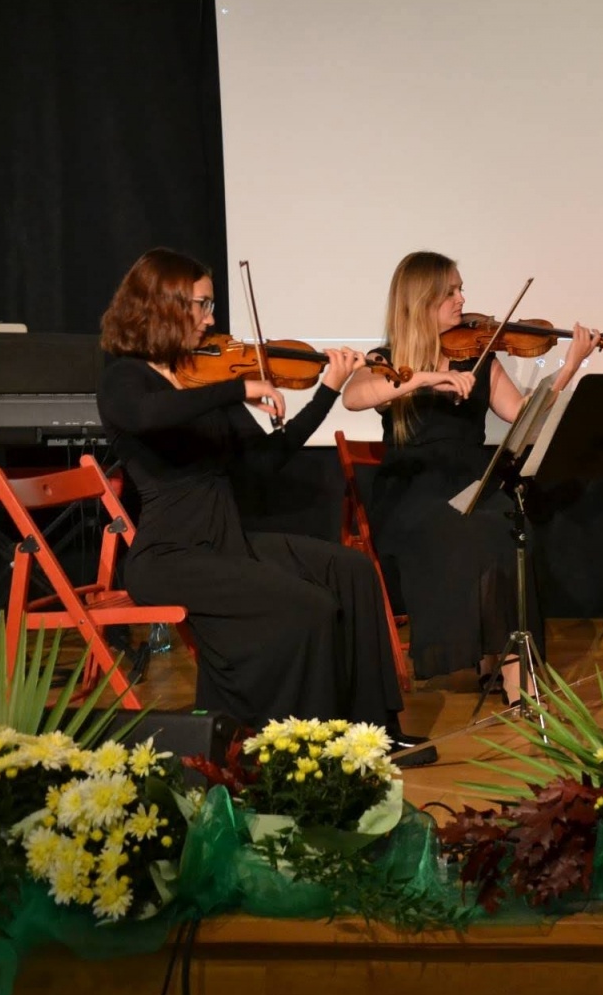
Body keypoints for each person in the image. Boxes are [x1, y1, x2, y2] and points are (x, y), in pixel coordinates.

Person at [96, 248, 424, 754]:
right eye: (203, 305)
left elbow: (269, 459)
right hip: (170, 556)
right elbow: (147, 415)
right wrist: (235, 389)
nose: (211, 319)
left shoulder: (201, 378)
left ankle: (374, 733)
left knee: (352, 571)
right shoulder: (125, 378)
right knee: (311, 607)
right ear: (164, 304)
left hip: (226, 542)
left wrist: (327, 391)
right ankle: (306, 749)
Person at [341, 252, 599, 703]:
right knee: (465, 531)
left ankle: (509, 671)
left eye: (461, 289)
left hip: (472, 483)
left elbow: (523, 416)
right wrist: (423, 378)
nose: (462, 299)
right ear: (421, 300)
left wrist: (570, 367)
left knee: (510, 528)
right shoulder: (388, 361)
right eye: (451, 292)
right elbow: (355, 396)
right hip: (412, 493)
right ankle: (497, 668)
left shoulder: (478, 354)